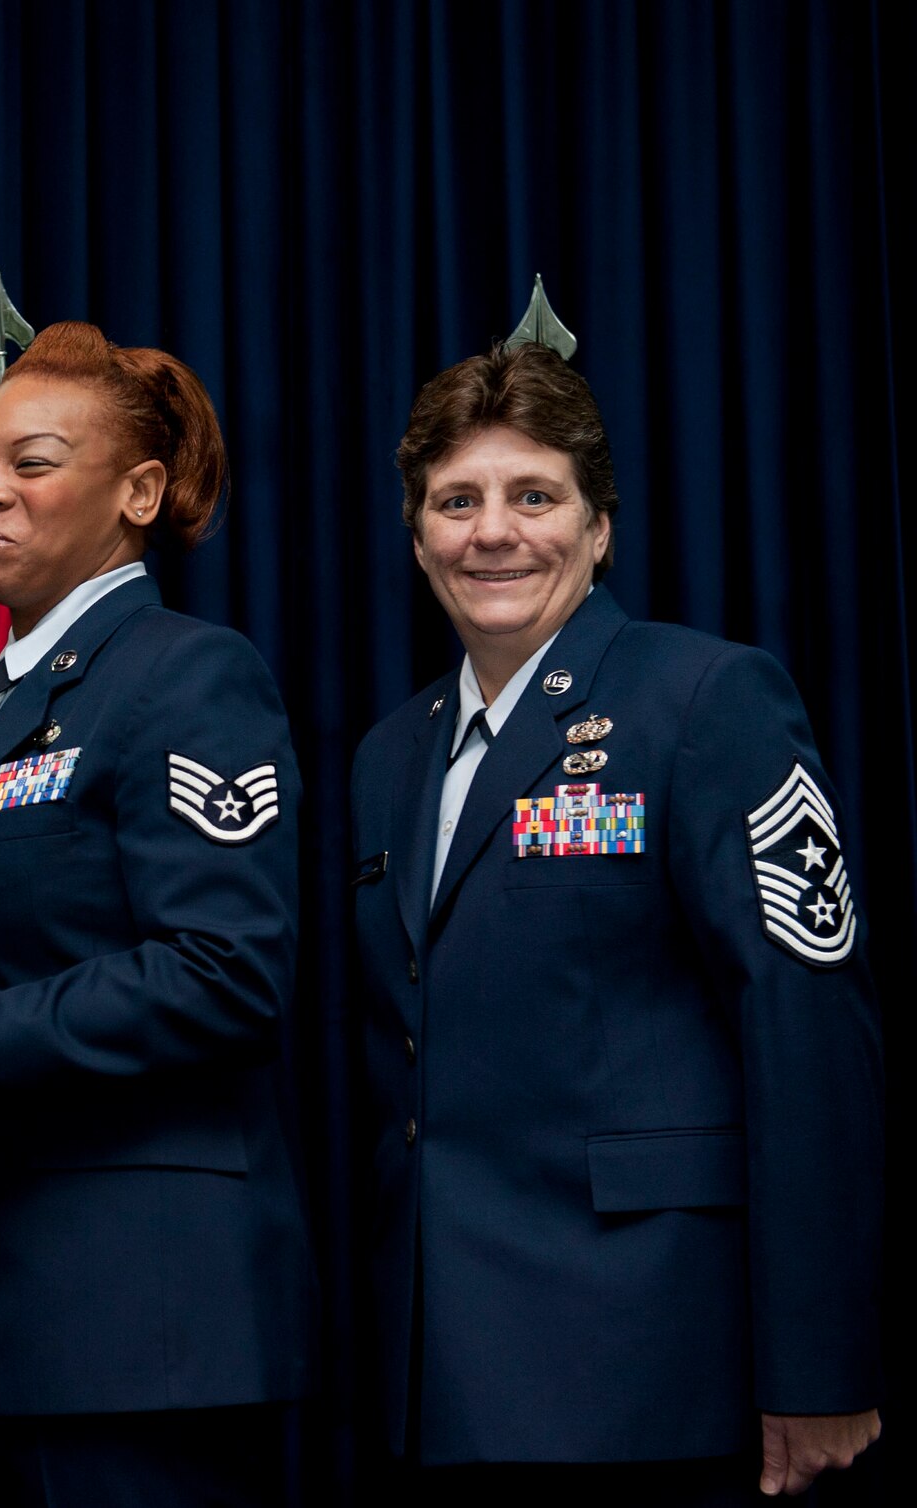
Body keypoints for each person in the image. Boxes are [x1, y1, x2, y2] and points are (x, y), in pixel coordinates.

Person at [348, 342, 883, 1504]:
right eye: (456, 501)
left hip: (645, 1369)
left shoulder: (704, 699)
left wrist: (821, 1358)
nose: (492, 530)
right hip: (432, 1383)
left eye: (532, 495)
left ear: (598, 529)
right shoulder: (384, 756)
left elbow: (806, 1029)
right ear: (416, 535)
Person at [0, 322, 316, 1506]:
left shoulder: (188, 674)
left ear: (138, 491)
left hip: (147, 1330)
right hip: (24, 1308)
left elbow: (222, 974)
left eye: (30, 463)